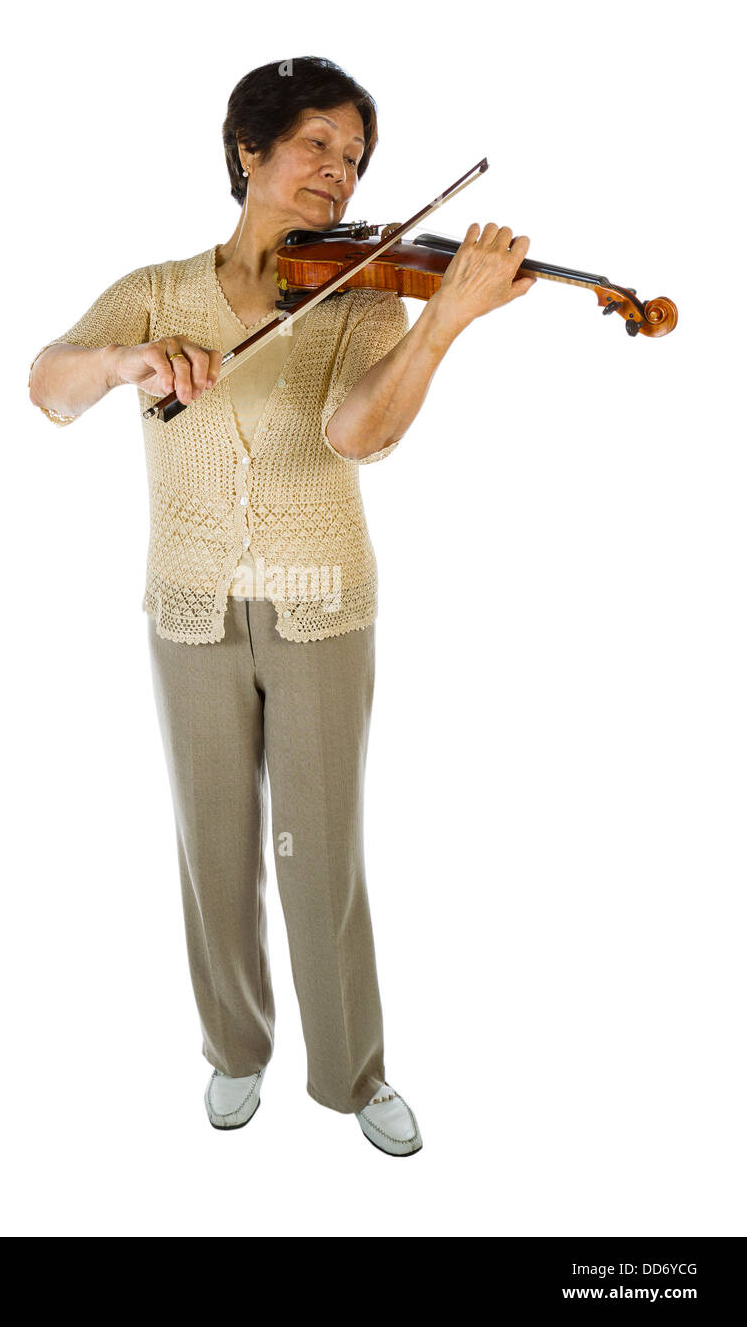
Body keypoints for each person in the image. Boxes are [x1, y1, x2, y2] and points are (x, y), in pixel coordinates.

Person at [28, 56, 535, 1157]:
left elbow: (359, 435)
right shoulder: (157, 288)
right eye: (317, 144)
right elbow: (48, 387)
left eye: (353, 158)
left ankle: (354, 1071)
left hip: (322, 604)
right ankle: (233, 1049)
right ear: (249, 151)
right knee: (211, 843)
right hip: (190, 604)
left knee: (320, 850)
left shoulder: (360, 298)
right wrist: (126, 361)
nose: (340, 173)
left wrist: (442, 321)